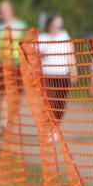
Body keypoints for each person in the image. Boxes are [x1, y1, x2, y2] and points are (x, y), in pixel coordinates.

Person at [37, 14, 76, 142]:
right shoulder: (41, 38)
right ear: (49, 25)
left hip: (62, 76)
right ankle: (50, 128)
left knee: (60, 104)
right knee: (49, 103)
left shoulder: (65, 36)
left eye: (59, 25)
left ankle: (55, 127)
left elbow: (70, 54)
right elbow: (35, 58)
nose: (57, 28)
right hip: (46, 76)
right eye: (54, 25)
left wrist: (73, 70)